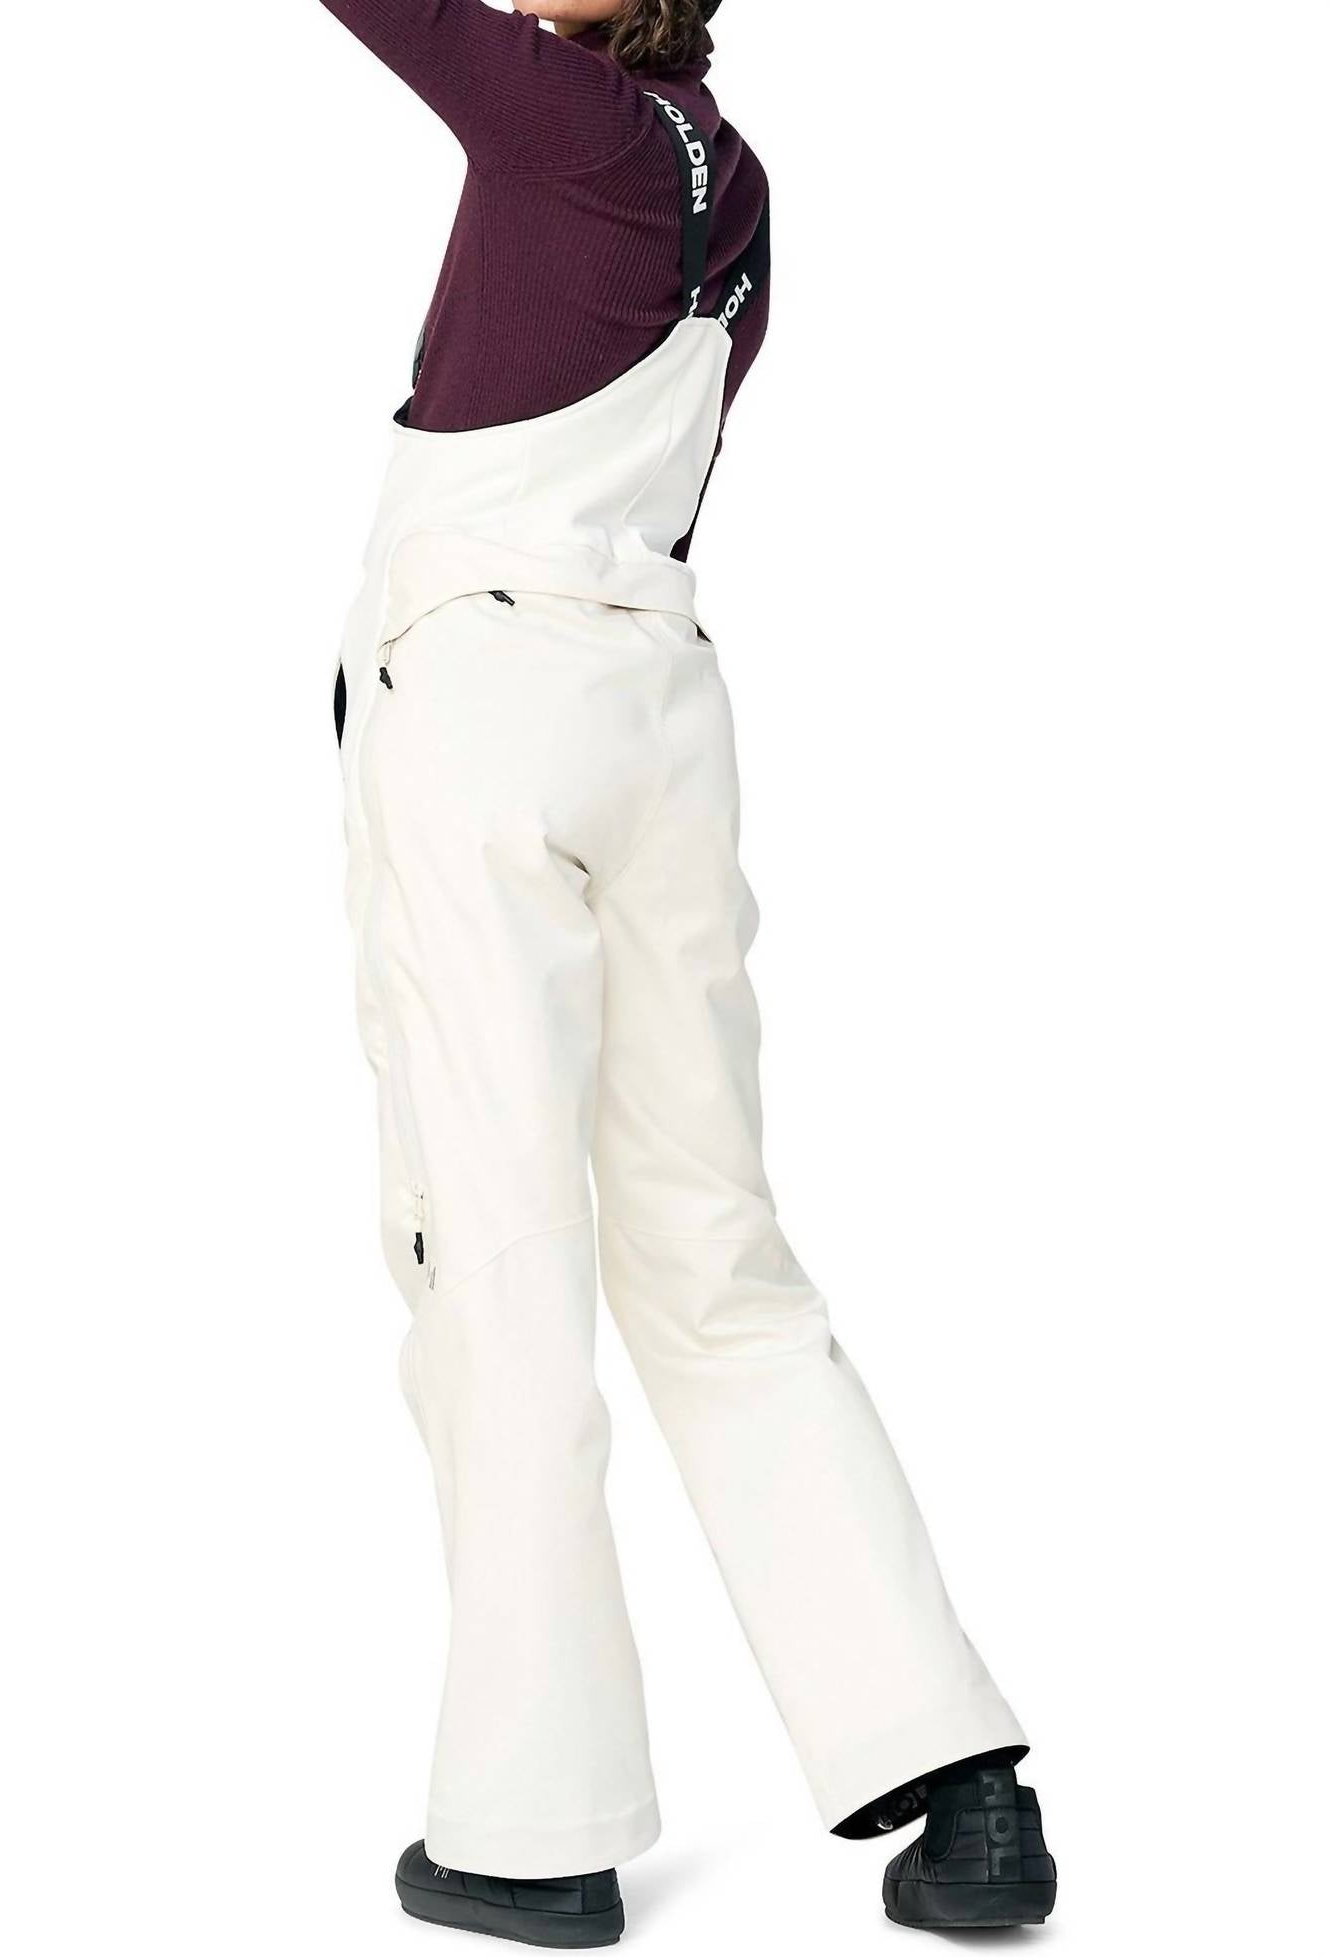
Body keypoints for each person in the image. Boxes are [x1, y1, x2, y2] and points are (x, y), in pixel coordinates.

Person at [317, 1, 1058, 1941]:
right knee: (716, 1253)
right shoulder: (736, 186)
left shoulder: (557, 115)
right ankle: (963, 1783)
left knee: (493, 1250)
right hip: (658, 707)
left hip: (487, 703)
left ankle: (530, 1826)